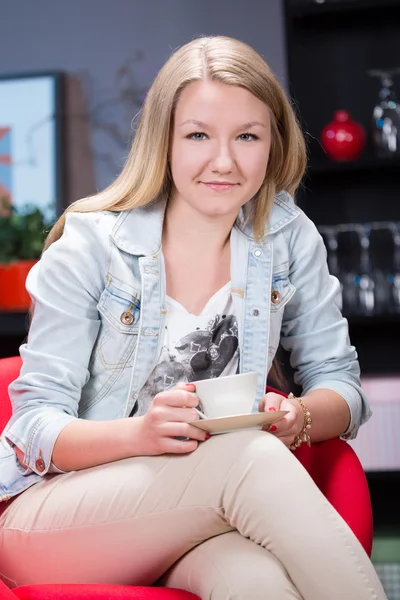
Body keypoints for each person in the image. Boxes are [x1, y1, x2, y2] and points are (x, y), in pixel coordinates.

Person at [0, 35, 387, 600]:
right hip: (57, 520)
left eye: (248, 136)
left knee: (258, 583)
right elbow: (33, 430)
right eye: (199, 135)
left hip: (194, 518)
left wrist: (296, 415)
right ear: (165, 141)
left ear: (273, 143)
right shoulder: (91, 244)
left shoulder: (286, 236)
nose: (224, 161)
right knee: (244, 454)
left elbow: (343, 389)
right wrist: (142, 434)